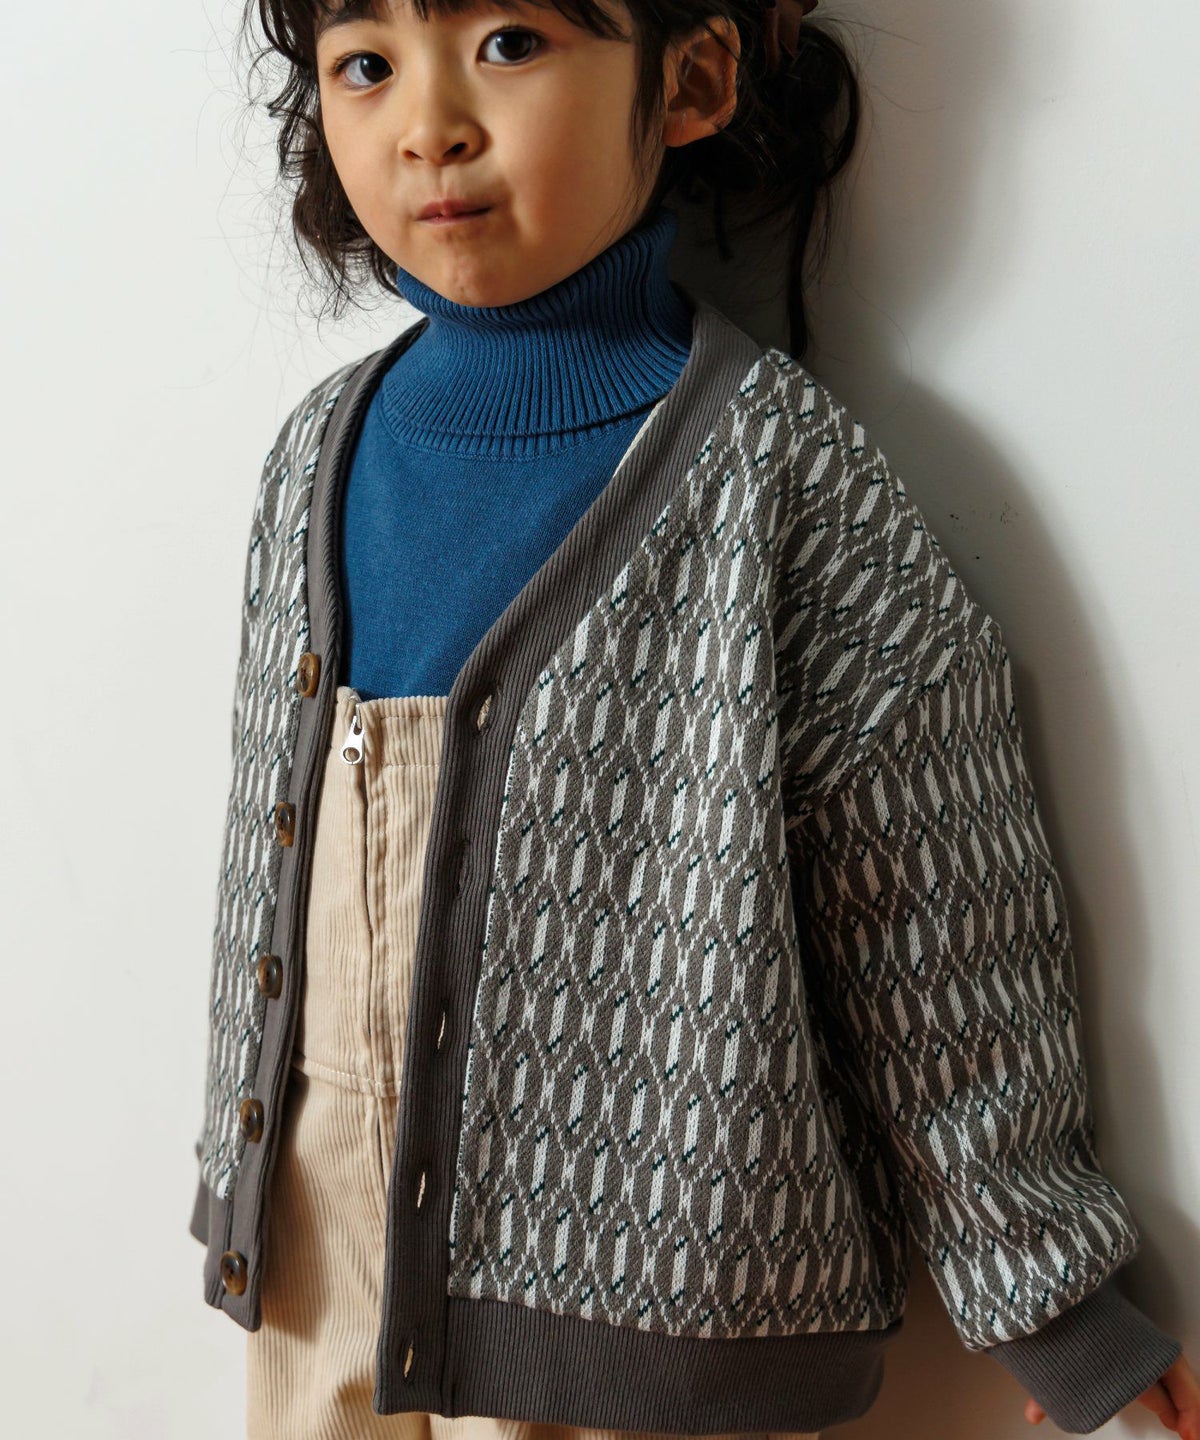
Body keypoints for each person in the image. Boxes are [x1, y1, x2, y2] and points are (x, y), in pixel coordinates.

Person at [187, 2, 1200, 1437]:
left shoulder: (777, 482)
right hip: (323, 1271)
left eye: (510, 41)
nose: (430, 126)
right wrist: (239, 1173)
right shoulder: (314, 456)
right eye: (366, 64)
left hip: (656, 1317)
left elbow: (936, 910)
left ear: (692, 78)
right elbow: (266, 872)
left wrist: (1052, 1294)